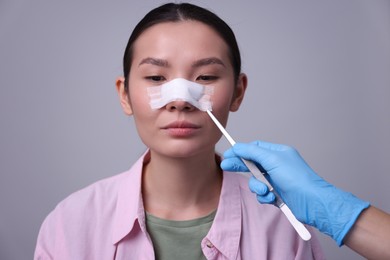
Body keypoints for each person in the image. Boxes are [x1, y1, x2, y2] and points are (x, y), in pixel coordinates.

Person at [34, 2, 325, 260]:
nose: (180, 100)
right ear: (125, 95)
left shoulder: (283, 222)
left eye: (206, 77)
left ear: (238, 92)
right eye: (156, 77)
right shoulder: (70, 223)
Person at [221, 140, 390, 260]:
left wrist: (329, 208)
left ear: (238, 94)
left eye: (206, 86)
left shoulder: (279, 224)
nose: (192, 104)